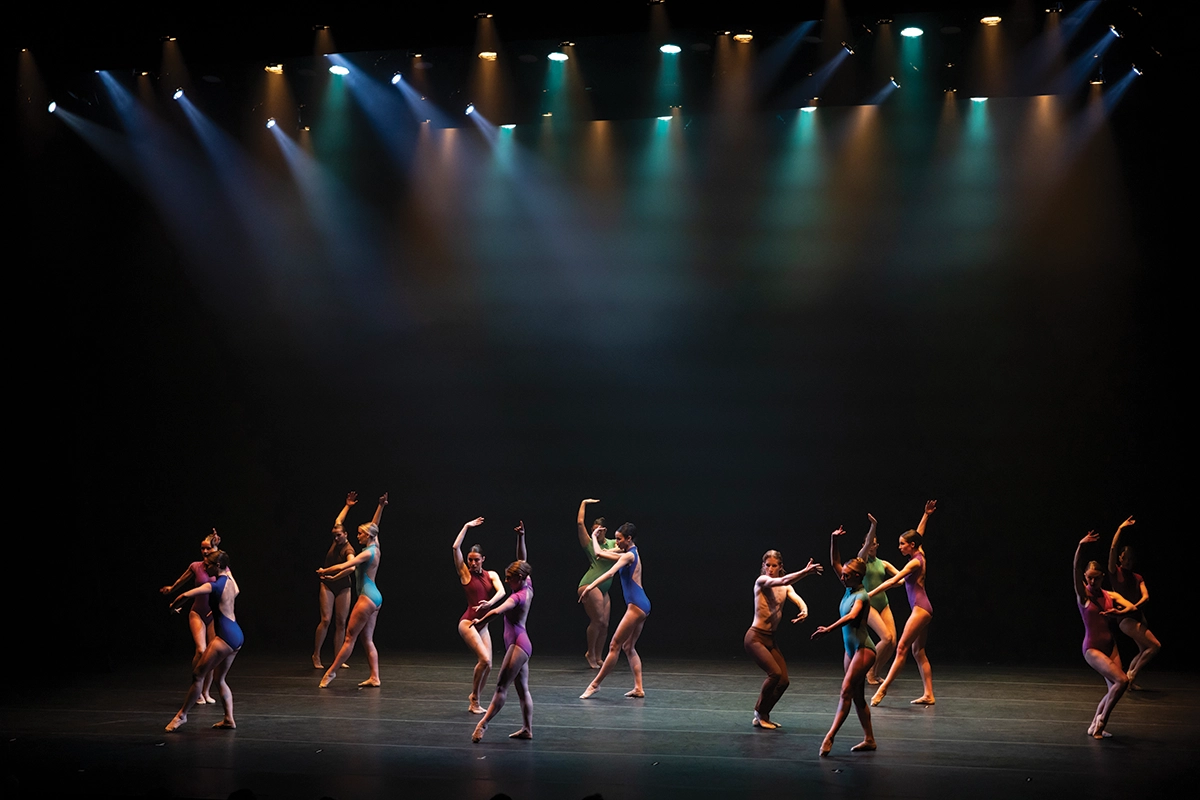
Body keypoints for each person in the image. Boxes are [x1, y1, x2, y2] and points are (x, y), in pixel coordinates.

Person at [811, 526, 876, 756]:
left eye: (846, 574)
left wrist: (828, 628)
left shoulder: (861, 596)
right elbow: (834, 563)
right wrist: (833, 540)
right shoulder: (848, 588)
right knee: (857, 697)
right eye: (843, 574)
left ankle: (829, 737)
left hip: (863, 650)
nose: (842, 576)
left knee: (845, 691)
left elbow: (851, 616)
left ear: (857, 576)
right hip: (850, 651)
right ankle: (869, 739)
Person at [867, 500, 937, 706]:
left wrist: (871, 593)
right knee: (918, 651)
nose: (899, 547)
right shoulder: (919, 553)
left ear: (911, 546)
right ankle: (929, 694)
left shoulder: (915, 561)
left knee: (902, 649)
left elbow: (893, 580)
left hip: (921, 608)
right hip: (923, 608)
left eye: (902, 544)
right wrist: (926, 515)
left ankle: (882, 689)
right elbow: (919, 534)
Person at [166, 550, 242, 732]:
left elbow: (185, 595)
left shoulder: (213, 586)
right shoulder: (231, 581)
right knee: (219, 678)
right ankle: (229, 719)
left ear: (217, 566)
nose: (204, 567)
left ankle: (181, 716)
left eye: (208, 565)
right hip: (237, 634)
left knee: (198, 674)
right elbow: (236, 593)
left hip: (225, 636)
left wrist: (173, 606)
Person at [745, 550, 822, 729]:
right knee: (775, 674)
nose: (770, 569)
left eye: (774, 565)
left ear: (780, 566)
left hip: (771, 639)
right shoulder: (762, 581)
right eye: (767, 565)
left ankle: (763, 713)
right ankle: (759, 712)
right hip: (755, 637)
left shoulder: (786, 587)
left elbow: (795, 596)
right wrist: (805, 571)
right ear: (763, 566)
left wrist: (805, 609)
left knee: (784, 681)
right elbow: (784, 580)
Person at [471, 522, 533, 743]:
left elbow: (498, 610)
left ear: (520, 579)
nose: (507, 582)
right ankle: (527, 729)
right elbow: (522, 561)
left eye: (510, 578)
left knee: (500, 686)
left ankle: (483, 724)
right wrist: (521, 538)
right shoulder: (527, 584)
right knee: (522, 688)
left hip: (518, 644)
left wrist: (481, 619)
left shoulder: (518, 597)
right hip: (521, 644)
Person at [317, 492, 387, 688]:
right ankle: (375, 677)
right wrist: (380, 507)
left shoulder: (366, 553)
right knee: (367, 639)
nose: (358, 536)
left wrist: (326, 570)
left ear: (368, 536)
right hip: (377, 597)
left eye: (360, 534)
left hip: (367, 597)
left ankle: (331, 673)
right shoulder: (376, 548)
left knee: (349, 638)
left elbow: (344, 566)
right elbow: (375, 527)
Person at [1075, 531, 1137, 738]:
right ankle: (1101, 722)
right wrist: (1081, 547)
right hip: (1092, 648)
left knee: (1115, 689)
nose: (1092, 582)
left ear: (1102, 577)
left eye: (1096, 578)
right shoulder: (1083, 595)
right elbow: (1074, 568)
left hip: (1111, 647)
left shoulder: (1111, 595)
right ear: (1085, 578)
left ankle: (1094, 724)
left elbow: (1133, 608)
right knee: (1122, 681)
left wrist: (1119, 612)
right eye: (1089, 578)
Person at [580, 520, 650, 699]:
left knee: (614, 646)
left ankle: (595, 684)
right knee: (629, 647)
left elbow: (610, 573)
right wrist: (594, 537)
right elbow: (598, 553)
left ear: (628, 538)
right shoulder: (629, 551)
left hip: (636, 605)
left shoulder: (628, 556)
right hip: (643, 604)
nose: (616, 542)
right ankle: (639, 688)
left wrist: (589, 587)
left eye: (619, 539)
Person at [160, 529, 221, 704]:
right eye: (202, 549)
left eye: (208, 548)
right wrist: (171, 589)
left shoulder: (219, 567)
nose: (204, 552)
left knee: (211, 653)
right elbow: (182, 581)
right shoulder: (196, 566)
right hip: (198, 612)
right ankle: (197, 687)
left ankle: (206, 691)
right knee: (201, 650)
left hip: (213, 614)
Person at [453, 516, 505, 714]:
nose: (472, 563)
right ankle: (474, 699)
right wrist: (466, 526)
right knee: (484, 660)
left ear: (483, 559)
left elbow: (502, 592)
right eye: (470, 560)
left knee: (489, 665)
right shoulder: (465, 574)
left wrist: (491, 603)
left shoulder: (491, 574)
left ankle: (476, 697)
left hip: (483, 623)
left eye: (476, 560)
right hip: (468, 623)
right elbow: (455, 548)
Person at [1107, 516, 1161, 689]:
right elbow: (1113, 547)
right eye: (1126, 559)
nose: (1129, 562)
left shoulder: (1138, 577)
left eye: (1131, 559)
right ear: (1120, 558)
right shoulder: (1115, 572)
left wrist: (1135, 607)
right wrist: (1120, 529)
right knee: (1155, 646)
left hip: (1138, 616)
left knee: (1144, 650)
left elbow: (1146, 596)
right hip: (1126, 619)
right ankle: (1131, 675)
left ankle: (1129, 683)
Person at [313, 493, 359, 670]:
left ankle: (338, 658)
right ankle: (316, 655)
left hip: (342, 584)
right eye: (334, 535)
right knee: (326, 619)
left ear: (345, 534)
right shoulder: (336, 539)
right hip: (327, 584)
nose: (336, 538)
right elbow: (338, 519)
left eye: (339, 535)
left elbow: (350, 567)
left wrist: (335, 576)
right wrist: (347, 506)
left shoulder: (348, 548)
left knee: (341, 622)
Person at [857, 513, 899, 684]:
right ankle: (866, 669)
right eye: (869, 543)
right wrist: (873, 525)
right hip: (869, 603)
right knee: (886, 638)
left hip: (883, 603)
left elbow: (901, 578)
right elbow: (867, 543)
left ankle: (874, 672)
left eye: (874, 543)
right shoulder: (862, 560)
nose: (871, 545)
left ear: (878, 545)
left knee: (893, 642)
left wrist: (889, 584)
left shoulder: (884, 563)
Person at [576, 498, 618, 669]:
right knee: (598, 620)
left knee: (605, 624)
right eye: (593, 530)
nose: (595, 533)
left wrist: (611, 550)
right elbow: (580, 523)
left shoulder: (613, 543)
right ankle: (590, 653)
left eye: (598, 530)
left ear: (604, 530)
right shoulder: (590, 545)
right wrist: (584, 503)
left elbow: (628, 547)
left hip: (604, 588)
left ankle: (599, 656)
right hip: (589, 585)